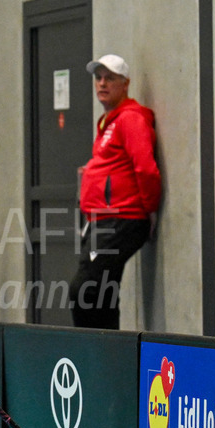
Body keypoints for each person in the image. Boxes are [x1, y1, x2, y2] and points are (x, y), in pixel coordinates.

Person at [70, 54, 161, 329]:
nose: (102, 83)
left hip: (121, 220)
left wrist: (150, 209)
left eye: (109, 78)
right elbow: (116, 165)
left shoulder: (130, 119)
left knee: (84, 290)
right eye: (98, 78)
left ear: (125, 84)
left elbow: (146, 168)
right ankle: (110, 351)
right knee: (103, 293)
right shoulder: (108, 122)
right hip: (102, 220)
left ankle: (91, 348)